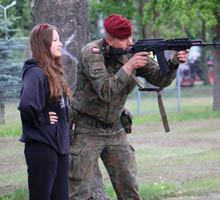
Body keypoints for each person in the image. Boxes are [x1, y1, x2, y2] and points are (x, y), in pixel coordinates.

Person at [68, 14, 188, 200]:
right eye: (124, 39)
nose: (130, 42)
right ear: (109, 40)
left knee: (129, 188)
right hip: (87, 130)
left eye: (131, 37)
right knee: (78, 191)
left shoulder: (132, 51)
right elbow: (105, 91)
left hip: (116, 129)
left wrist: (173, 62)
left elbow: (159, 79)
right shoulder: (91, 53)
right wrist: (129, 67)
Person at [18, 24, 72, 200]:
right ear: (43, 45)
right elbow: (27, 105)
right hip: (42, 147)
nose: (60, 44)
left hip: (59, 147)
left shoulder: (52, 72)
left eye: (59, 40)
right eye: (55, 40)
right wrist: (41, 118)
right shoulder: (35, 73)